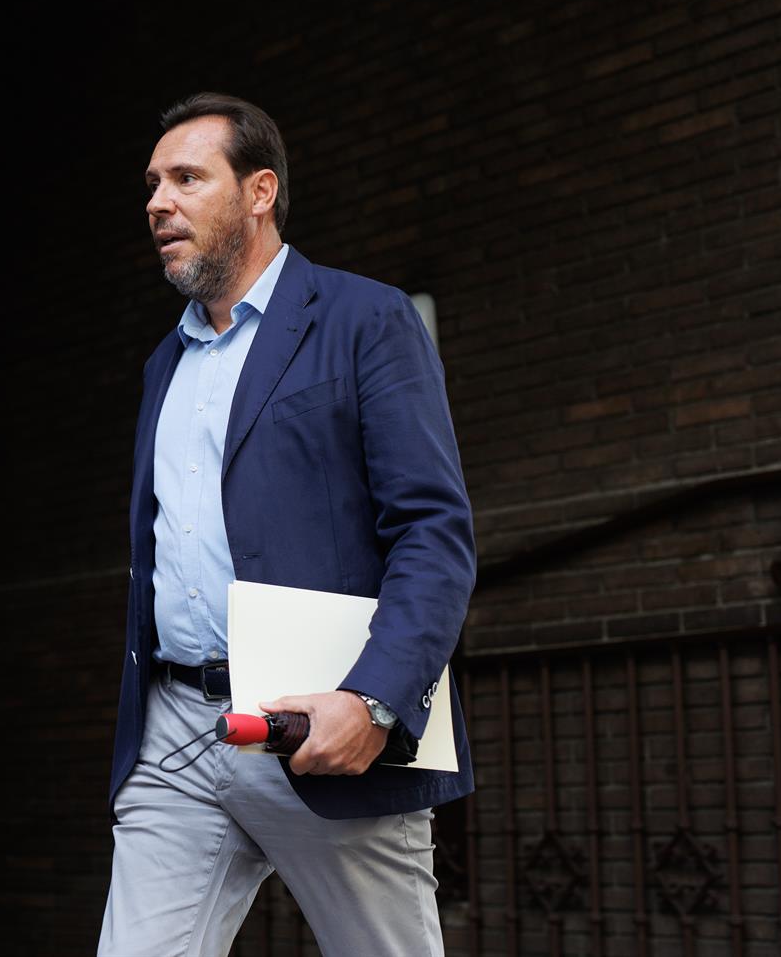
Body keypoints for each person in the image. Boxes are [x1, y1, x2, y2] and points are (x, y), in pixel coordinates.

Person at [98, 93, 475, 956]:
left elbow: (432, 530)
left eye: (186, 178)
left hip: (322, 723)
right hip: (175, 733)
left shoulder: (365, 319)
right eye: (152, 184)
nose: (158, 202)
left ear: (260, 191)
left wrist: (374, 699)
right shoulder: (164, 363)